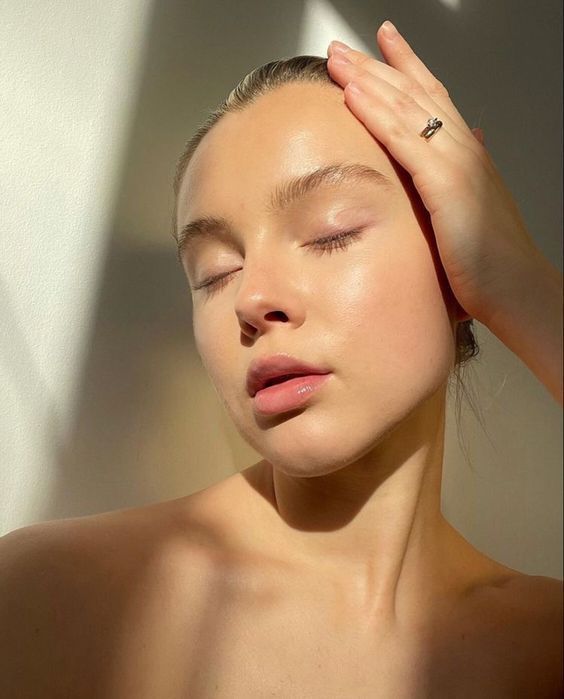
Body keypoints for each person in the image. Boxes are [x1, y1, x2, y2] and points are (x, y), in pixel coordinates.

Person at [1, 19, 562, 698]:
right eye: (213, 271)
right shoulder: (56, 597)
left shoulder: (543, 645)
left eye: (331, 233)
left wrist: (526, 287)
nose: (252, 297)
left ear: (457, 248)